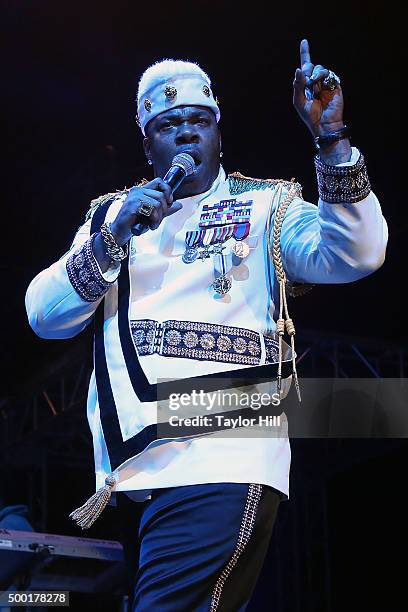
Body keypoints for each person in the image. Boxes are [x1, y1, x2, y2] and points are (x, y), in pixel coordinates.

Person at [25, 40, 387, 611]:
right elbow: (43, 317)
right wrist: (114, 237)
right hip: (131, 481)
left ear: (219, 131)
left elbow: (356, 255)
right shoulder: (113, 216)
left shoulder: (265, 205)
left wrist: (332, 141)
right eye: (170, 124)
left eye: (200, 120)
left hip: (222, 458)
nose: (187, 132)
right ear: (148, 142)